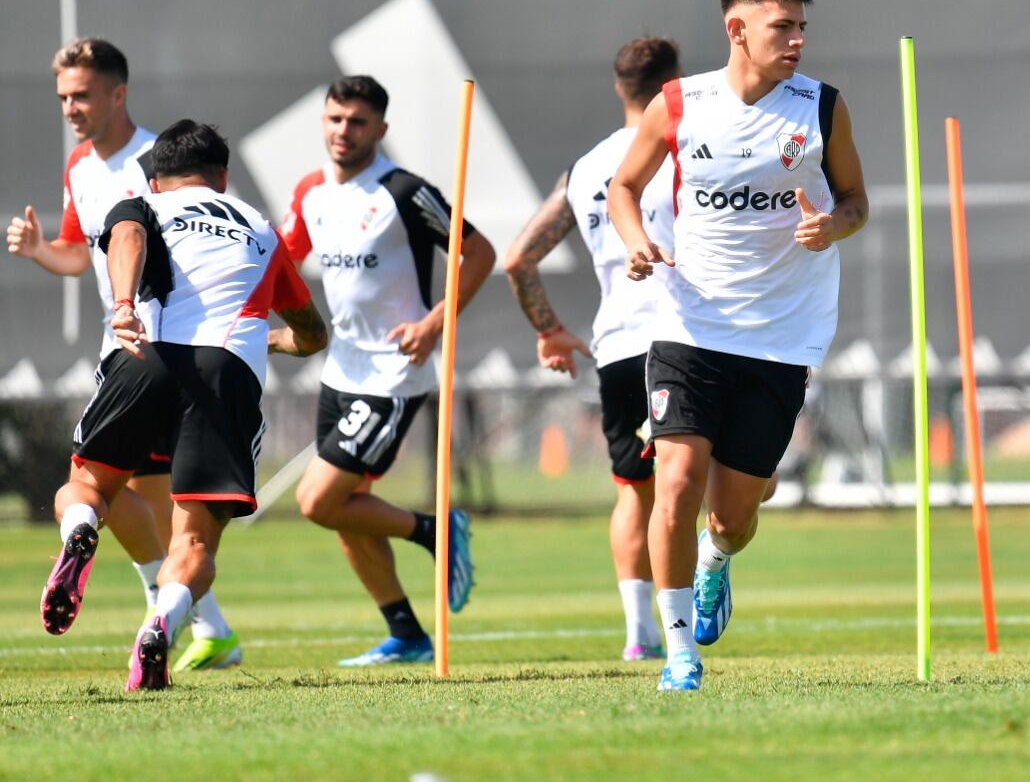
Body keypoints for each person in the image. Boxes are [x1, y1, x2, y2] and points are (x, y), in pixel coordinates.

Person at [608, 0, 869, 691]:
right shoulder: (679, 105)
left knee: (732, 518)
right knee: (677, 475)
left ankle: (716, 560)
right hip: (689, 325)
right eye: (782, 27)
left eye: (801, 28)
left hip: (782, 336)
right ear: (737, 30)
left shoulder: (820, 109)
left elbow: (857, 201)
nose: (796, 41)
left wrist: (833, 225)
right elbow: (622, 187)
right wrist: (634, 241)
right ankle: (679, 653)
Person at [40, 119, 327, 691]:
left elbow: (128, 239)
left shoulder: (141, 202)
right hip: (226, 372)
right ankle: (161, 626)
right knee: (194, 541)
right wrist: (277, 341)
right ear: (223, 176)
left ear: (155, 175)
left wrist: (123, 304)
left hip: (145, 355)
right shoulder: (261, 228)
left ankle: (80, 530)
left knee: (87, 488)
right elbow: (312, 332)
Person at [9, 38, 243, 672]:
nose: (70, 108)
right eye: (62, 97)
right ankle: (195, 622)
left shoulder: (161, 164)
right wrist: (38, 251)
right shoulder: (80, 167)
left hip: (167, 354)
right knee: (133, 496)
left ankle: (190, 619)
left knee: (115, 492)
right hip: (125, 352)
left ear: (119, 93)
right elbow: (78, 253)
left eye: (82, 94)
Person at [279, 75, 494, 666]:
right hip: (339, 373)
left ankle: (435, 532)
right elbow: (284, 263)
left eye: (356, 121)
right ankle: (406, 634)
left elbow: (479, 253)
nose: (342, 131)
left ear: (380, 129)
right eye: (334, 119)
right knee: (348, 515)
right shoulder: (310, 191)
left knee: (318, 501)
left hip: (394, 376)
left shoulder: (403, 191)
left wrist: (433, 323)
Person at [505, 37, 681, 663]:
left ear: (618, 88)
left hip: (619, 347)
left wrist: (549, 329)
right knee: (697, 479)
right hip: (686, 336)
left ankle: (640, 633)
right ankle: (693, 606)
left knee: (633, 491)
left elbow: (519, 258)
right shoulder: (685, 143)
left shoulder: (585, 168)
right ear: (674, 84)